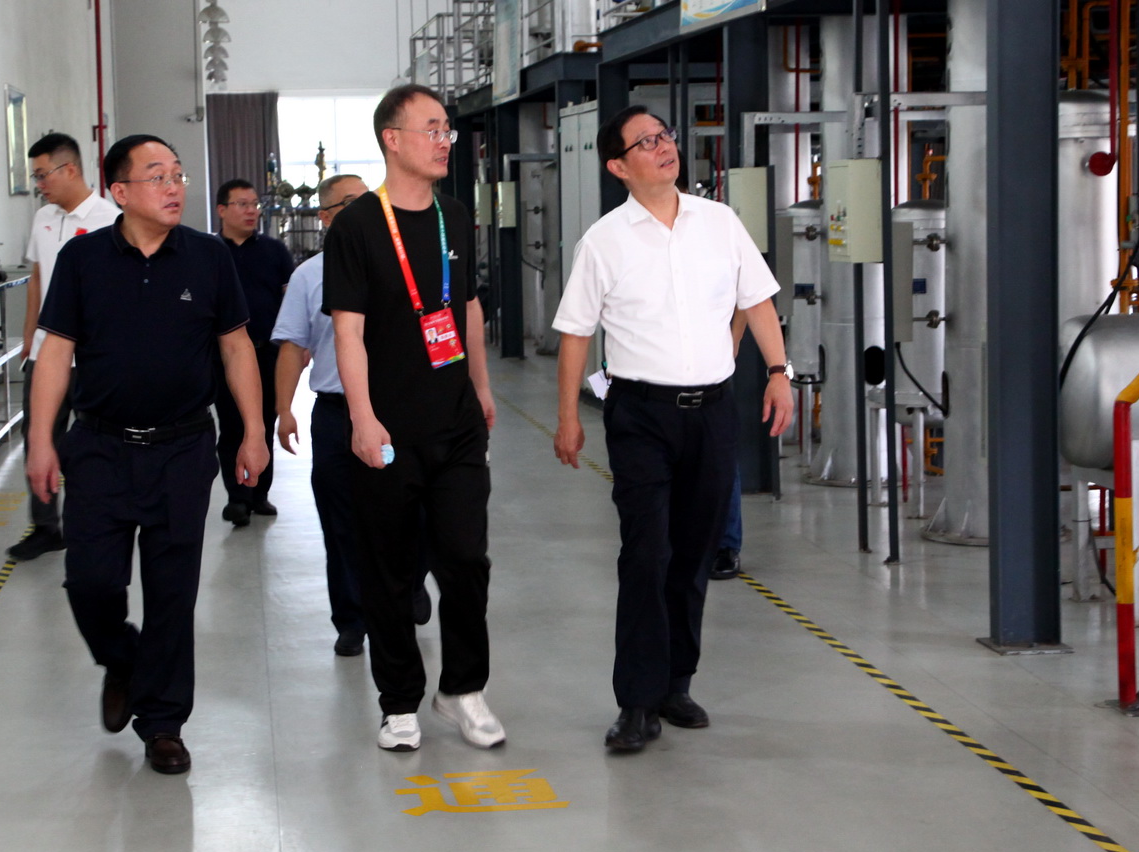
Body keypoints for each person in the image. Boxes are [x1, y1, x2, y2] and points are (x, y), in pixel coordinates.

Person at [551, 105, 793, 753]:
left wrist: (778, 371)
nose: (663, 147)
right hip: (640, 416)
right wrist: (568, 415)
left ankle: (674, 684)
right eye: (645, 141)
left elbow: (756, 300)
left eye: (664, 135)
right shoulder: (603, 241)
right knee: (644, 553)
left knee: (692, 553)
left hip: (711, 412)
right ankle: (636, 701)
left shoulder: (719, 222)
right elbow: (575, 333)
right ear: (617, 166)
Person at [26, 134, 269, 777]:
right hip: (99, 447)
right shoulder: (82, 260)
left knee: (171, 594)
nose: (173, 187)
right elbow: (55, 353)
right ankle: (122, 659)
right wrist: (41, 439)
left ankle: (163, 724)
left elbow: (237, 348)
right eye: (157, 176)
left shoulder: (209, 258)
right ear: (120, 191)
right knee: (91, 582)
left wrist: (253, 430)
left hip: (182, 448)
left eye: (178, 175)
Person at [324, 84, 503, 753]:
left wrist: (481, 387)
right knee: (389, 568)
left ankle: (462, 688)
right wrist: (362, 418)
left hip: (456, 423)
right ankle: (398, 700)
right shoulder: (357, 227)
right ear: (391, 139)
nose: (443, 140)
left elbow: (467, 309)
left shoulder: (454, 215)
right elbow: (348, 332)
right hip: (389, 428)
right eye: (431, 128)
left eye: (446, 129)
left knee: (466, 559)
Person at [8, 132, 121, 562]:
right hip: (45, 353)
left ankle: (94, 520)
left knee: (93, 442)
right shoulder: (43, 218)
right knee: (39, 438)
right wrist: (28, 335)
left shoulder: (110, 219)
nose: (39, 184)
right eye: (35, 176)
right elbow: (38, 278)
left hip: (91, 357)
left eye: (43, 175)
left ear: (69, 169)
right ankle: (45, 527)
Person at [273, 174, 370, 656]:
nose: (364, 210)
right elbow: (294, 346)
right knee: (340, 521)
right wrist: (284, 410)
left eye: (369, 200)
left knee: (412, 510)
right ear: (325, 217)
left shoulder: (399, 262)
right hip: (335, 414)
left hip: (396, 410)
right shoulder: (310, 276)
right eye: (351, 203)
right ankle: (351, 619)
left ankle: (410, 581)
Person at [213, 178, 295, 527]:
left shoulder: (274, 251)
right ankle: (238, 497)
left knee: (264, 422)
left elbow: (290, 299)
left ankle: (260, 493)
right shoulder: (210, 251)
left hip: (268, 353)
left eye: (254, 205)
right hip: (224, 356)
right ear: (222, 210)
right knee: (232, 425)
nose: (252, 211)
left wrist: (296, 345)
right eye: (242, 205)